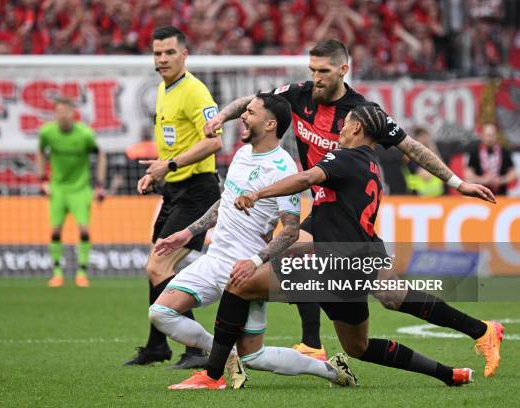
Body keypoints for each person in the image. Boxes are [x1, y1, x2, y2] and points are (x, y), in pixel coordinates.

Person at [203, 40, 504, 373]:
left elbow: (413, 147)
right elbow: (254, 103)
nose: (316, 78)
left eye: (324, 71)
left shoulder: (362, 113)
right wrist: (222, 116)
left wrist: (458, 183)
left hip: (343, 216)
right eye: (312, 70)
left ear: (343, 70)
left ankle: (301, 345)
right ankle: (481, 330)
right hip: (326, 213)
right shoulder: (299, 94)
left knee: (374, 290)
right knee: (370, 297)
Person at [171, 104, 493, 389]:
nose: (339, 129)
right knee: (358, 347)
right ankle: (450, 373)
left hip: (332, 268)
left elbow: (305, 179)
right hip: (355, 265)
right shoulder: (370, 166)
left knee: (239, 282)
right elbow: (324, 220)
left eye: (344, 124)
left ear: (356, 128)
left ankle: (213, 375)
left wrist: (258, 195)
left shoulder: (345, 158)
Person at [150, 93, 358, 390]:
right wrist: (188, 232)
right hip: (214, 259)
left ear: (270, 124)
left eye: (250, 112)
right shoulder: (242, 154)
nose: (243, 116)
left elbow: (290, 230)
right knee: (160, 313)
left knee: (255, 356)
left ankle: (331, 370)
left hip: (246, 268)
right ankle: (222, 355)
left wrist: (256, 262)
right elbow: (225, 202)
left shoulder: (282, 169)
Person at [124, 26, 223, 369]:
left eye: (169, 52)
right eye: (157, 53)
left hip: (199, 192)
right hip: (175, 191)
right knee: (158, 268)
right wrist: (155, 174)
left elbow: (214, 142)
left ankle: (198, 346)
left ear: (184, 55)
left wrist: (171, 165)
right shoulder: (166, 90)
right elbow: (175, 145)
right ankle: (157, 346)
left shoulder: (195, 91)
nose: (162, 59)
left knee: (158, 265)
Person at [36, 97, 106, 288]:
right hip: (57, 188)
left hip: (80, 188)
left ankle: (82, 272)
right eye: (58, 112)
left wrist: (99, 185)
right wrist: (42, 179)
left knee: (83, 229)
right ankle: (57, 272)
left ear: (72, 114)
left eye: (65, 112)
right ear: (55, 114)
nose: (62, 116)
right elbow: (40, 151)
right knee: (55, 230)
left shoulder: (84, 134)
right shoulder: (47, 133)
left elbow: (100, 154)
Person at [466, 122, 516, 196]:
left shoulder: (504, 152)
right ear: (482, 136)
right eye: (487, 135)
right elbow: (468, 175)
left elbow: (512, 174)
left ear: (496, 136)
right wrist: (483, 180)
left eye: (492, 135)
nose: (490, 138)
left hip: (501, 195)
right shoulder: (475, 152)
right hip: (481, 194)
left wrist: (500, 180)